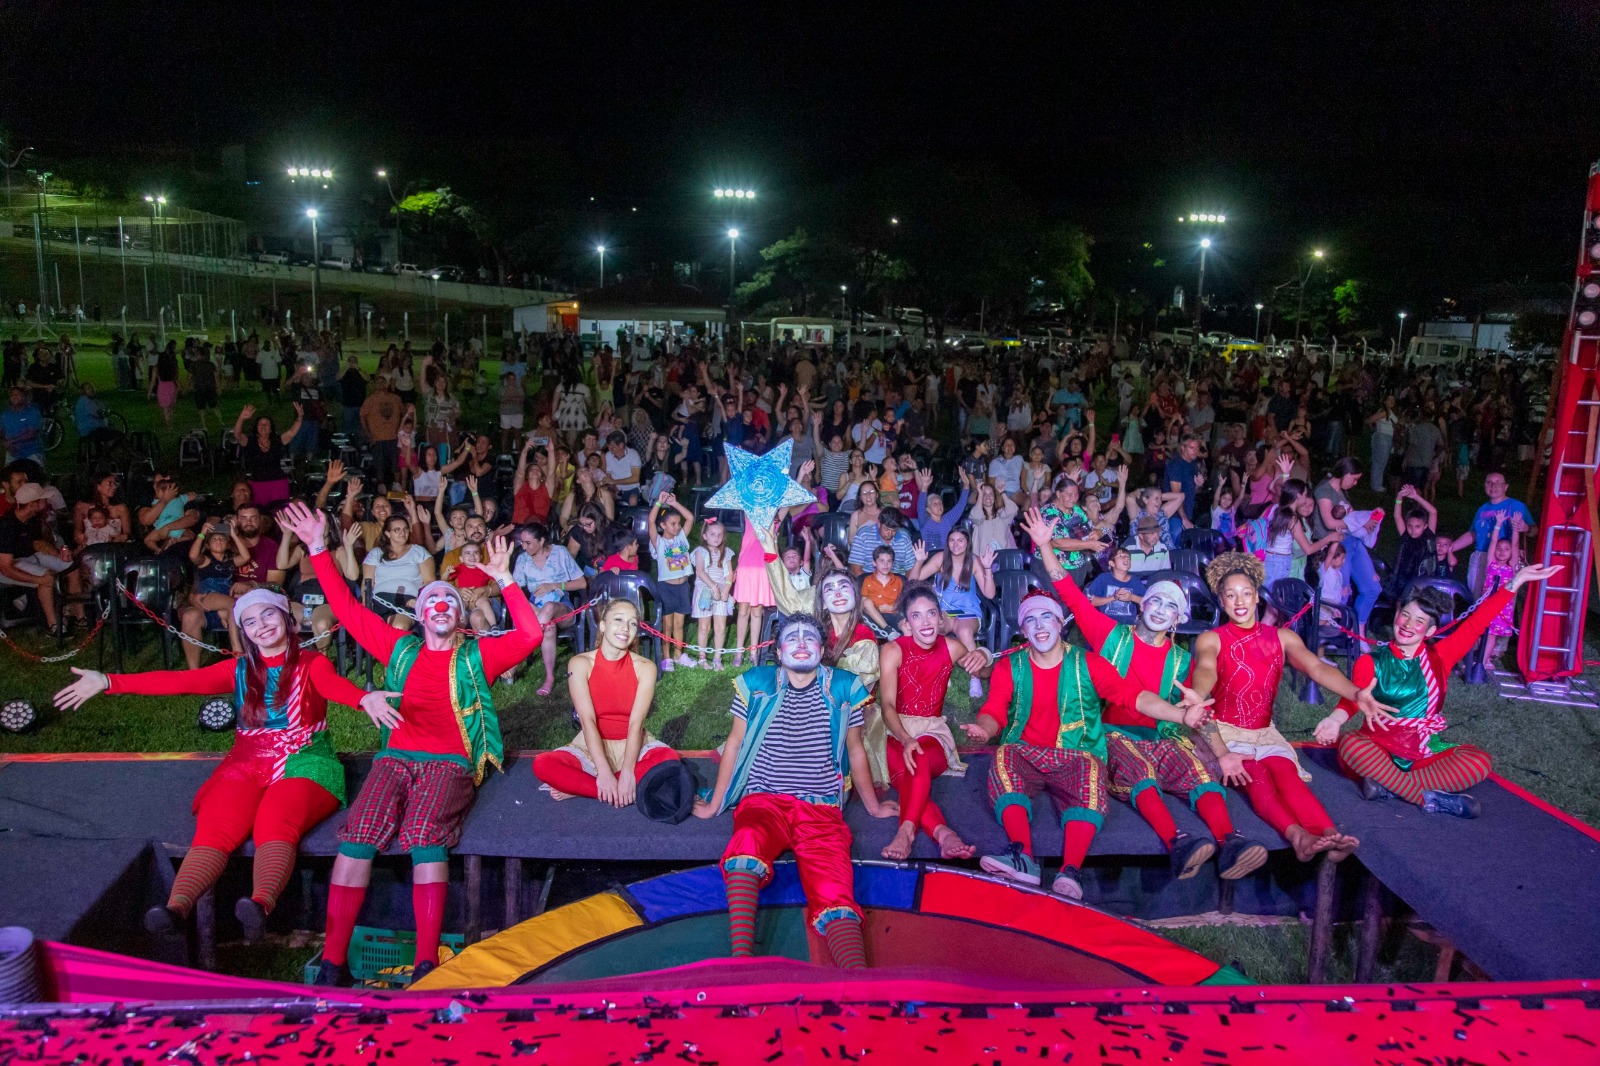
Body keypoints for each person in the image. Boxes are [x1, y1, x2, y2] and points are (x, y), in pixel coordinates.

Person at [281, 502, 539, 986]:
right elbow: (346, 609)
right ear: (419, 614)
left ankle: (425, 961)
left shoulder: (476, 656)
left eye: (449, 600)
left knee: (423, 831)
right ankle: (333, 963)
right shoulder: (398, 647)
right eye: (432, 599)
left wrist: (505, 578)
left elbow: (530, 634)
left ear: (459, 616)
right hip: (395, 759)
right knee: (359, 833)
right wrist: (317, 547)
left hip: (449, 763)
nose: (440, 604)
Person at [52, 588, 389, 941]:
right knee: (217, 825)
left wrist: (363, 698)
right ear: (244, 632)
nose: (262, 625)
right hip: (247, 761)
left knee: (276, 820)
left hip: (306, 760)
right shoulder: (239, 669)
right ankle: (176, 908)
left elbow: (332, 687)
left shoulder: (312, 664)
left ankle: (260, 904)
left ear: (287, 619)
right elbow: (180, 681)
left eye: (269, 615)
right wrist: (109, 681)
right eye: (251, 622)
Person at [1023, 508, 1267, 881]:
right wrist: (1044, 546)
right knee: (1138, 770)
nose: (1161, 610)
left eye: (1171, 606)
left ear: (1177, 619)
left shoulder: (1182, 661)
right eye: (1155, 601)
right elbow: (1071, 595)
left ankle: (1229, 840)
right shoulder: (1111, 636)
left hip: (1160, 737)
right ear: (1143, 604)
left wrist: (1222, 753)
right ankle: (1177, 842)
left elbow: (1198, 711)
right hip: (1111, 736)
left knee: (1195, 771)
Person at [962, 590, 1211, 900]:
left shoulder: (1089, 663)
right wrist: (984, 730)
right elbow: (994, 710)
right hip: (1026, 752)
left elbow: (1135, 697)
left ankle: (1071, 870)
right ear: (1023, 631)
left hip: (1077, 753)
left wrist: (1181, 715)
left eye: (1047, 617)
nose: (1039, 625)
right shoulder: (1009, 667)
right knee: (1004, 757)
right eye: (1031, 620)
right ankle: (1022, 856)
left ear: (1059, 624)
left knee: (1090, 773)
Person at [693, 613, 897, 970]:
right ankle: (741, 962)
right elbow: (735, 742)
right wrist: (716, 804)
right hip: (764, 800)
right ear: (778, 650)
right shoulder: (757, 683)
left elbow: (855, 750)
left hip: (820, 808)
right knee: (747, 840)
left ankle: (859, 981)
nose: (801, 643)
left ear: (822, 648)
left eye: (809, 638)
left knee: (834, 886)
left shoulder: (844, 687)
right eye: (792, 637)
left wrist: (873, 806)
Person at [1187, 552, 1391, 863]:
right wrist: (1199, 695)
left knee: (1285, 772)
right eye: (1230, 595)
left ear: (1257, 597)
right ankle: (1298, 836)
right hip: (1223, 732)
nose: (1239, 601)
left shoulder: (1282, 637)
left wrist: (1355, 693)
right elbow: (1206, 669)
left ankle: (1329, 834)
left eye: (1246, 593)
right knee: (1256, 774)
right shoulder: (1211, 639)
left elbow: (1316, 667)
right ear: (1222, 601)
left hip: (1263, 732)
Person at [1315, 561, 1558, 817]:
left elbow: (1477, 623)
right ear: (1396, 615)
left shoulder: (1440, 656)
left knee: (1478, 761)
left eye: (1419, 621)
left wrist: (1515, 582)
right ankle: (1428, 798)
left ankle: (1390, 787)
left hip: (1423, 753)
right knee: (1351, 745)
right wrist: (1335, 719)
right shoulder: (1371, 661)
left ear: (1430, 630)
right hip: (1376, 751)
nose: (1408, 624)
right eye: (1405, 615)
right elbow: (1355, 698)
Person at [532, 599, 694, 819]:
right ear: (602, 625)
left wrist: (627, 771)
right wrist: (604, 771)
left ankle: (584, 788)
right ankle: (619, 790)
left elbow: (636, 724)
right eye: (618, 620)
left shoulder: (646, 668)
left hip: (634, 744)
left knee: (669, 757)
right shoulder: (580, 663)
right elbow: (587, 721)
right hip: (592, 745)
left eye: (632, 623)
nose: (625, 628)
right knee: (543, 764)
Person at [878, 583, 992, 862]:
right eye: (916, 616)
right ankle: (942, 833)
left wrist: (984, 656)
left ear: (941, 618)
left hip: (932, 731)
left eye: (931, 613)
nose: (926, 622)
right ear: (907, 624)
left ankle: (906, 831)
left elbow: (985, 672)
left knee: (917, 758)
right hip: (895, 730)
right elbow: (888, 705)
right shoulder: (892, 650)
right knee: (907, 773)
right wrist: (905, 738)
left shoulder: (951, 647)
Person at [511, 522, 586, 694]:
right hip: (534, 607)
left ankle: (516, 660)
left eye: (528, 543)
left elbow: (582, 583)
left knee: (549, 606)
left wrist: (554, 585)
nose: (524, 547)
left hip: (562, 607)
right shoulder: (523, 559)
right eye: (522, 542)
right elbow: (515, 590)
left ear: (541, 541)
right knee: (548, 627)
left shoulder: (560, 553)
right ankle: (549, 678)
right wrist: (532, 608)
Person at [0, 482, 80, 629]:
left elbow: (37, 542)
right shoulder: (6, 525)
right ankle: (53, 625)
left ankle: (80, 617)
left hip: (31, 556)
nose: (46, 501)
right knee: (47, 578)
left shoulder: (33, 518)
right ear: (33, 504)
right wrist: (38, 579)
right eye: (43, 499)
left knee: (72, 567)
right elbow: (5, 567)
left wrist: (58, 554)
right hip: (13, 563)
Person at [1449, 471, 1535, 595]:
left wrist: (1526, 528)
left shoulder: (1516, 506)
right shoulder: (1482, 508)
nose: (1493, 486)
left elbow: (1534, 531)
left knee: (1502, 598)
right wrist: (1449, 548)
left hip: (1504, 559)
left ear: (1506, 487)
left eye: (1498, 483)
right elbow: (1473, 534)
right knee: (1476, 596)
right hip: (1481, 557)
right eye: (1489, 483)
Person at [648, 492, 696, 671]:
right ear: (663, 525)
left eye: (678, 524)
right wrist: (659, 504)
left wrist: (674, 503)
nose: (677, 527)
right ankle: (666, 657)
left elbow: (690, 518)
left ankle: (678, 654)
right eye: (673, 524)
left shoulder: (681, 538)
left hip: (683, 586)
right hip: (666, 588)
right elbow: (650, 521)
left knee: (679, 624)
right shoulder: (659, 542)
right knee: (667, 625)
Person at [233, 404, 304, 508]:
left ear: (271, 429)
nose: (263, 426)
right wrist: (241, 418)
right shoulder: (250, 441)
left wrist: (300, 417)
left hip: (278, 484)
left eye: (266, 424)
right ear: (256, 428)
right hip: (257, 485)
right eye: (260, 424)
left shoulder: (277, 441)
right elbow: (237, 434)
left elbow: (292, 432)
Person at [691, 517, 735, 668]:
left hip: (721, 591)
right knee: (704, 627)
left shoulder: (726, 552)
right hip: (705, 590)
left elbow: (729, 574)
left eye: (720, 534)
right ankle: (702, 657)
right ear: (705, 535)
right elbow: (700, 572)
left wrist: (726, 589)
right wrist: (713, 587)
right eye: (712, 534)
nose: (716, 538)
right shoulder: (700, 551)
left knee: (720, 627)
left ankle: (717, 658)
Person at [1085, 545, 1145, 623]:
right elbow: (1090, 601)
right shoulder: (1104, 578)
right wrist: (1114, 597)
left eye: (1128, 557)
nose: (1126, 558)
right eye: (1120, 556)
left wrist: (1131, 597)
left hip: (1128, 625)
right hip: (1106, 623)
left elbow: (1147, 601)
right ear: (1112, 563)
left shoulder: (1135, 580)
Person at [1, 386, 43, 469]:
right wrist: (5, 443)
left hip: (31, 453)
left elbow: (32, 433)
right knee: (9, 475)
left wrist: (11, 441)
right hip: (12, 453)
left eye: (18, 394)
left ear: (24, 397)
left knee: (34, 475)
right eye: (12, 395)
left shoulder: (32, 412)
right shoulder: (5, 415)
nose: (14, 397)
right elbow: (1, 431)